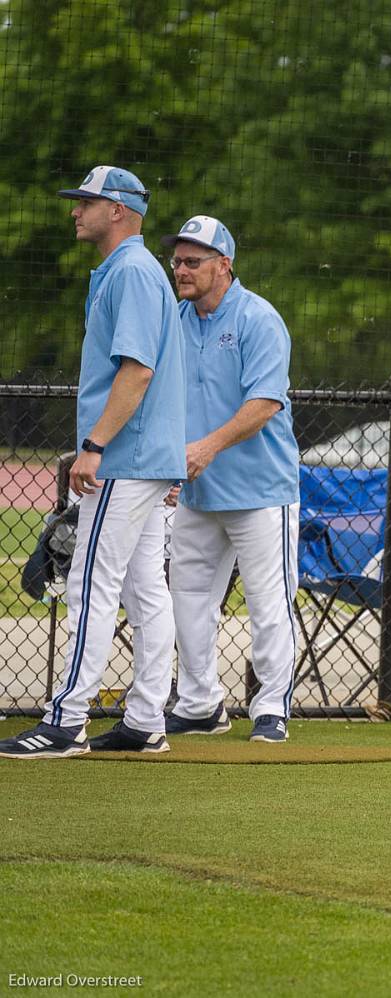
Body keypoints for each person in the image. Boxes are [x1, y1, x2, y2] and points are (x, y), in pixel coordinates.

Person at [0, 166, 185, 758]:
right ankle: (147, 718)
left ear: (120, 211)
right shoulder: (129, 270)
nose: (75, 210)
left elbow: (136, 370)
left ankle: (66, 721)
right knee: (144, 589)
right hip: (146, 456)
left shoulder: (130, 269)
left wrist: (96, 445)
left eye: (87, 201)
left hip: (126, 457)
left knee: (88, 585)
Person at [158, 216, 300, 744]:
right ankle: (199, 704)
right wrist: (170, 463)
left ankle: (271, 709)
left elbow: (264, 403)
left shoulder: (259, 318)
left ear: (225, 264)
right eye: (177, 261)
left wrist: (205, 449)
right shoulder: (173, 319)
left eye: (193, 261)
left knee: (269, 601)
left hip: (261, 488)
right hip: (198, 488)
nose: (181, 270)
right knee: (187, 595)